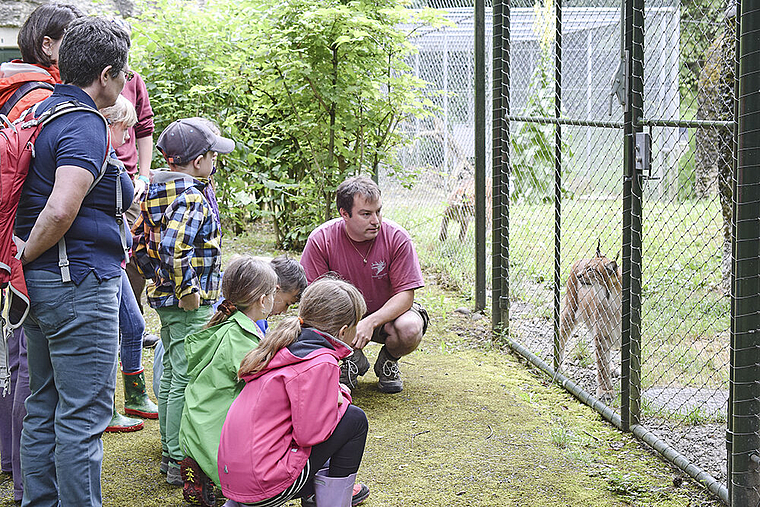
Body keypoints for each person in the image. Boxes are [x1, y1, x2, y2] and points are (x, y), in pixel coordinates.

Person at [14, 16, 132, 507]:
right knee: (84, 417)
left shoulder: (42, 111)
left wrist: (24, 264)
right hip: (78, 283)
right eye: (123, 73)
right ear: (105, 74)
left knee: (43, 406)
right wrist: (27, 253)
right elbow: (62, 207)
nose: (126, 82)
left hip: (41, 291)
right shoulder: (84, 124)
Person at [0, 5, 83, 504]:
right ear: (49, 45)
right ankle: (29, 482)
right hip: (27, 255)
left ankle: (13, 465)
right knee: (31, 369)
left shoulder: (14, 92)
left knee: (16, 363)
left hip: (9, 249)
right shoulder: (43, 99)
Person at [131, 117, 234, 486]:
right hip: (191, 303)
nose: (215, 162)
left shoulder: (157, 191)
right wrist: (187, 291)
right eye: (212, 155)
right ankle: (180, 459)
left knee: (175, 376)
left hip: (165, 300)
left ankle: (169, 457)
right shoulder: (191, 196)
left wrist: (158, 280)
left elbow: (140, 243)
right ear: (197, 161)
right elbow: (174, 247)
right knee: (189, 381)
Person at [218, 278, 370, 507]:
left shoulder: (282, 346)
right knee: (354, 419)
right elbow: (311, 435)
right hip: (266, 485)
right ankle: (332, 502)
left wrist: (332, 395)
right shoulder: (321, 361)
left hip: (234, 479)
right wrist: (340, 399)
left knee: (338, 415)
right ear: (344, 330)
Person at [300, 176, 429, 394]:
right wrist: (348, 330)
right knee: (311, 324)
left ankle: (388, 361)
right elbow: (313, 300)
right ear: (344, 214)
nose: (376, 220)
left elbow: (406, 295)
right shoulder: (321, 240)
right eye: (366, 214)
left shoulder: (398, 238)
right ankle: (350, 360)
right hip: (343, 320)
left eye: (378, 211)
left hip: (388, 316)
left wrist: (370, 321)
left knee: (410, 328)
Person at [179, 256, 278, 506]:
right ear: (263, 300)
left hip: (197, 416)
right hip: (215, 426)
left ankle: (202, 472)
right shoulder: (242, 338)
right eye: (273, 293)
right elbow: (267, 385)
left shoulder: (226, 326)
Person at [99, 95, 158, 433]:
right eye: (123, 130)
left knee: (134, 326)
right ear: (108, 123)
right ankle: (104, 408)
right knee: (109, 335)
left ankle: (134, 397)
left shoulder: (110, 157)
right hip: (102, 260)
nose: (127, 140)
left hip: (116, 256)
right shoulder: (98, 156)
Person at [110, 20, 159, 349]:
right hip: (102, 175)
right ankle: (119, 323)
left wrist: (143, 173)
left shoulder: (133, 80)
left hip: (130, 180)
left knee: (135, 247)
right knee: (115, 250)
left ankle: (132, 321)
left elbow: (144, 130)